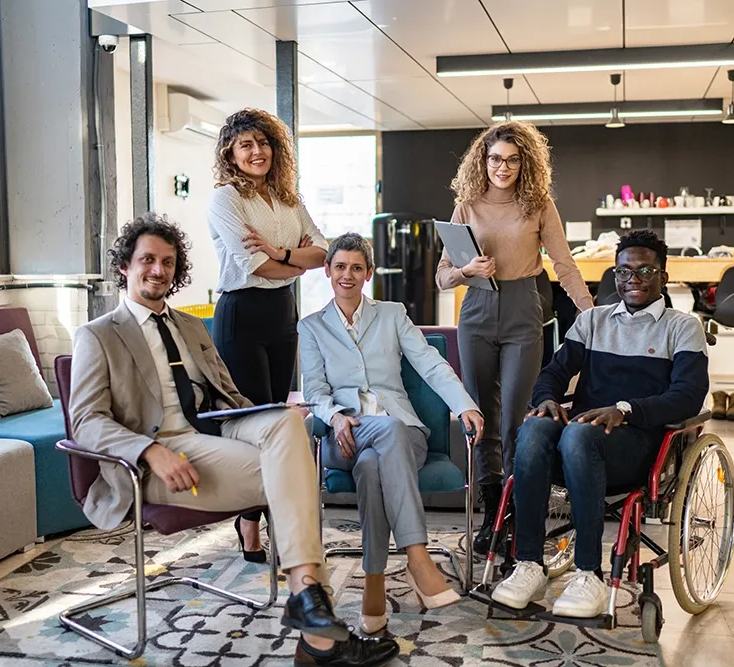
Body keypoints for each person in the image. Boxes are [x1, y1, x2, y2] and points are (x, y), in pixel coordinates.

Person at [69, 214, 398, 666]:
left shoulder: (192, 327)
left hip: (215, 430)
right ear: (125, 265)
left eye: (167, 262)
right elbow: (85, 420)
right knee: (293, 474)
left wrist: (262, 418)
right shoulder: (97, 335)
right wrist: (150, 449)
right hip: (159, 455)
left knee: (287, 422)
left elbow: (230, 394)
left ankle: (309, 609)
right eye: (147, 259)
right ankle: (317, 628)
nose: (158, 270)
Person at [491, 230, 710, 618]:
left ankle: (589, 573)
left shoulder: (681, 327)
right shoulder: (592, 320)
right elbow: (553, 374)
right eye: (625, 272)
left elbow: (688, 397)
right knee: (534, 428)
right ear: (615, 274)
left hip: (638, 445)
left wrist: (624, 410)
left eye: (645, 271)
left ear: (664, 274)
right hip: (580, 442)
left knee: (577, 433)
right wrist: (546, 400)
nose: (634, 280)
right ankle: (528, 563)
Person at [299, 233, 485, 635]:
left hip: (402, 433)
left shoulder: (391, 314)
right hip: (344, 434)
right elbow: (314, 391)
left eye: (356, 267)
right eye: (340, 267)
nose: (347, 275)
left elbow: (431, 364)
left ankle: (374, 585)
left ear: (368, 274)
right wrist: (334, 417)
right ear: (329, 272)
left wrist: (463, 403)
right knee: (378, 441)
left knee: (373, 464)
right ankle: (417, 557)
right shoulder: (311, 327)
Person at [436, 120, 594, 556]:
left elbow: (564, 265)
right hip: (477, 312)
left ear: (525, 162)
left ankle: (517, 512)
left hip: (525, 309)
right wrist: (467, 271)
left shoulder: (539, 204)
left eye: (511, 159)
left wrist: (594, 315)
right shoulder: (466, 205)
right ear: (481, 162)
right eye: (494, 159)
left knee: (516, 421)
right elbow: (443, 274)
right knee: (481, 416)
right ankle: (492, 511)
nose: (502, 168)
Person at [207, 108, 328, 562]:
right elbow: (253, 267)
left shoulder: (288, 199)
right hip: (241, 314)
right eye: (246, 145)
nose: (257, 152)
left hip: (282, 315)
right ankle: (248, 521)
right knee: (253, 425)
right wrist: (292, 264)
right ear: (230, 153)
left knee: (281, 422)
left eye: (264, 143)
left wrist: (281, 252)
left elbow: (325, 251)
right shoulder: (225, 199)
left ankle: (276, 516)